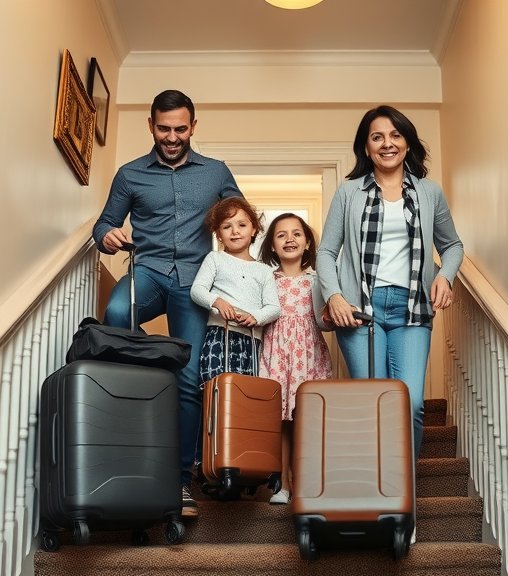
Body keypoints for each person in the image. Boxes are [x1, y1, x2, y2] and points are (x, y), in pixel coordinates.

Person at [93, 89, 242, 518]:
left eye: (180, 129)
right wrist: (107, 236)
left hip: (196, 281)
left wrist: (241, 269)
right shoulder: (130, 174)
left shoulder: (216, 172)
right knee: (116, 314)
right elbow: (105, 223)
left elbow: (238, 216)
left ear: (193, 126)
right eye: (164, 129)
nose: (172, 137)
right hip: (149, 270)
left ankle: (180, 481)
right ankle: (150, 377)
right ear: (151, 125)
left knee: (189, 375)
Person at [315, 105, 464, 466]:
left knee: (410, 403)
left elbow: (452, 245)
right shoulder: (349, 192)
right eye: (377, 137)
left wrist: (444, 275)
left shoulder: (429, 192)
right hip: (360, 312)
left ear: (407, 143)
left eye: (395, 135)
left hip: (412, 309)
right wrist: (335, 296)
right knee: (373, 402)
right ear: (366, 148)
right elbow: (326, 252)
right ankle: (377, 488)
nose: (387, 143)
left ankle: (401, 493)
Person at [256, 213, 333, 505]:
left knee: (307, 420)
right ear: (272, 246)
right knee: (281, 423)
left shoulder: (318, 280)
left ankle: (307, 484)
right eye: (281, 235)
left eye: (297, 233)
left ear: (308, 242)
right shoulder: (266, 279)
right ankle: (284, 486)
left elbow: (324, 321)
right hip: (275, 355)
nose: (290, 239)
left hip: (308, 356)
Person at [191, 197, 281, 384]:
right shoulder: (215, 259)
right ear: (218, 234)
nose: (235, 231)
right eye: (227, 227)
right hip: (219, 334)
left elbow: (274, 308)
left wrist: (256, 316)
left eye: (242, 225)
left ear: (254, 229)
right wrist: (217, 301)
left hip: (251, 339)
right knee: (216, 386)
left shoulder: (264, 271)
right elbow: (197, 290)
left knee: (246, 390)